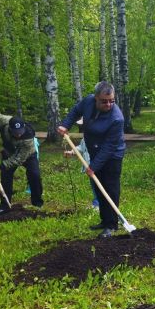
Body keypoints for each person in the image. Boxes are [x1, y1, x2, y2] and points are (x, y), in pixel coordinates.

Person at [58, 81, 126, 238]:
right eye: (104, 101)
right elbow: (75, 111)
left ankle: (112, 225)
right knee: (98, 186)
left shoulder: (117, 119)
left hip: (112, 155)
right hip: (95, 149)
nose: (108, 104)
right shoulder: (88, 101)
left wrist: (93, 166)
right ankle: (104, 220)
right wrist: (65, 125)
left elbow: (109, 147)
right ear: (96, 98)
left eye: (112, 101)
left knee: (110, 189)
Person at [0, 114, 44, 214]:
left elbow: (19, 159)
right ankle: (5, 205)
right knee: (6, 177)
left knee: (34, 175)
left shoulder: (28, 136)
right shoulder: (4, 121)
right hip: (9, 152)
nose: (18, 135)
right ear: (10, 128)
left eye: (20, 132)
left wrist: (0, 166)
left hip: (27, 154)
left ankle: (37, 203)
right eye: (16, 132)